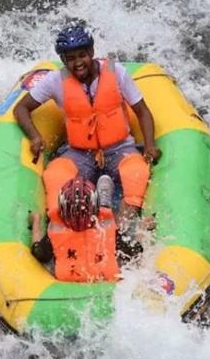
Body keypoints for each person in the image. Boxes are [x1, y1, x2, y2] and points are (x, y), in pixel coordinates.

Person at [14, 25, 161, 231]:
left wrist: (149, 145)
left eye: (82, 55)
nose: (78, 63)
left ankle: (119, 229)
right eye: (71, 58)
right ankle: (60, 229)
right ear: (64, 61)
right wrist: (35, 136)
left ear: (91, 52)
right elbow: (21, 108)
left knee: (136, 172)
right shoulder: (55, 80)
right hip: (80, 152)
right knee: (55, 174)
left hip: (119, 148)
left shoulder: (116, 72)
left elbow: (143, 112)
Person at [30, 175, 141, 283]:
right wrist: (143, 229)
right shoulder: (106, 229)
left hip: (69, 278)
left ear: (62, 209)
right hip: (105, 278)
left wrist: (36, 221)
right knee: (111, 219)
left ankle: (101, 202)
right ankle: (103, 203)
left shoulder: (55, 231)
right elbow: (135, 253)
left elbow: (38, 252)